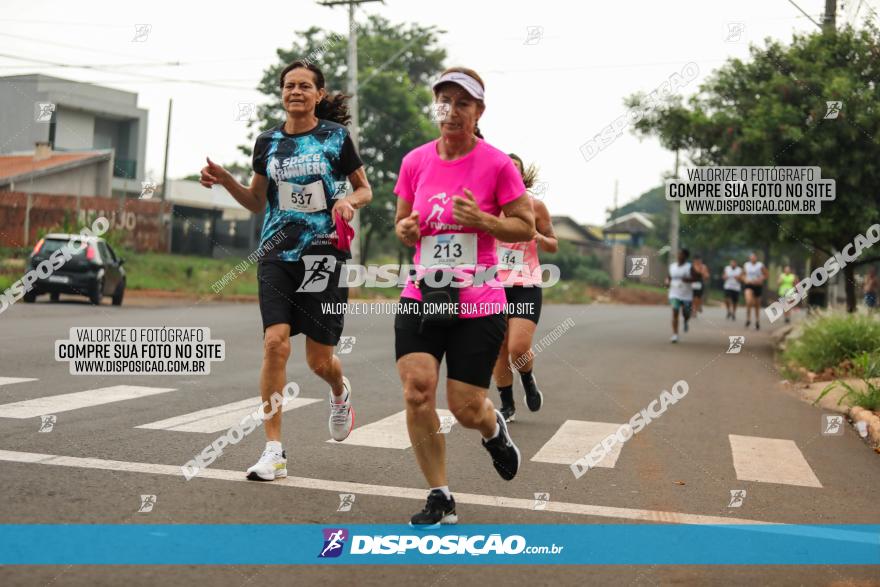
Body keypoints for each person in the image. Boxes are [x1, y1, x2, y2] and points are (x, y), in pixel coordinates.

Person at [200, 60, 372, 481]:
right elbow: (257, 203)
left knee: (319, 360)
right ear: (282, 94)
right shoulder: (267, 143)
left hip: (324, 254)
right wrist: (225, 180)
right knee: (275, 343)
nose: (295, 91)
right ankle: (273, 450)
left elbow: (365, 187)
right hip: (277, 253)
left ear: (318, 95)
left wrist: (349, 202)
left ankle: (338, 391)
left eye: (304, 86)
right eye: (289, 86)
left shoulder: (336, 139)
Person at [393, 66, 535, 526]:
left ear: (479, 111)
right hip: (424, 292)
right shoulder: (415, 161)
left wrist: (485, 221)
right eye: (445, 101)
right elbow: (401, 223)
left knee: (465, 406)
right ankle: (440, 495)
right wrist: (406, 228)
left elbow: (524, 225)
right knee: (417, 391)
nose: (452, 111)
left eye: (463, 103)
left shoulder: (495, 164)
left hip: (479, 302)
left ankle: (494, 430)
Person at [491, 154, 558, 422]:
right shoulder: (487, 206)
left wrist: (538, 236)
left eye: (514, 169)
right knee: (499, 348)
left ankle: (528, 379)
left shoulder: (536, 206)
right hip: (493, 285)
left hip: (525, 284)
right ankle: (507, 405)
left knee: (518, 347)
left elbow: (553, 244)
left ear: (521, 177)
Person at [666, 249, 695, 343]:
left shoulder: (689, 267)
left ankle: (686, 321)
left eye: (681, 254)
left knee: (686, 313)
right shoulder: (672, 266)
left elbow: (695, 278)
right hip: (674, 293)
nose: (679, 256)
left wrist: (688, 280)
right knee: (675, 311)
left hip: (686, 295)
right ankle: (675, 334)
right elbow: (668, 277)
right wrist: (667, 282)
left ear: (685, 257)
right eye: (678, 254)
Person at [742, 253, 768, 330]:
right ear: (749, 258)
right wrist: (745, 279)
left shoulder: (760, 265)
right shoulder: (746, 265)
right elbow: (742, 275)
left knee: (757, 305)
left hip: (757, 285)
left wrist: (760, 279)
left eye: (754, 257)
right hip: (749, 285)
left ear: (756, 258)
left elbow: (766, 274)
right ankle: (748, 319)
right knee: (748, 302)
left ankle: (757, 321)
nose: (753, 259)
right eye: (751, 257)